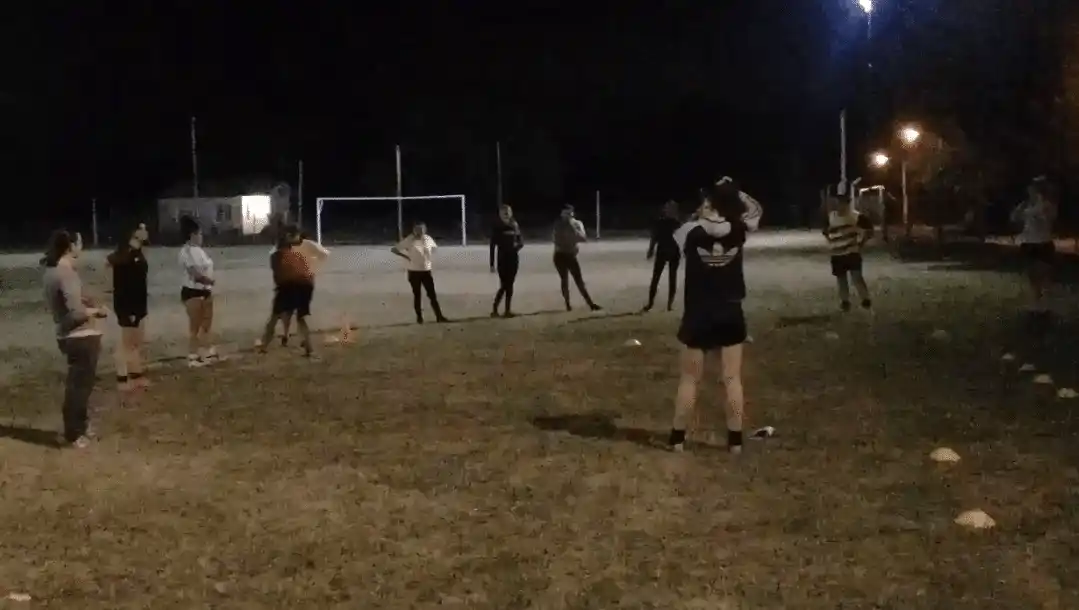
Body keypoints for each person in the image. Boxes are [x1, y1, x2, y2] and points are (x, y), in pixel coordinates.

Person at [668, 177, 763, 454]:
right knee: (732, 378)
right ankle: (735, 441)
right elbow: (756, 210)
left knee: (689, 379)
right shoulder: (738, 228)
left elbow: (683, 232)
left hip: (698, 312)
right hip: (730, 310)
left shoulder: (689, 230)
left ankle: (677, 438)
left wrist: (704, 210)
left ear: (708, 203)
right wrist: (733, 191)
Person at [43, 230, 109, 448]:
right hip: (81, 336)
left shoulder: (52, 272)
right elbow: (76, 312)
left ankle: (78, 427)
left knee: (78, 384)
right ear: (71, 246)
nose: (82, 246)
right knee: (80, 386)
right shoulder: (66, 273)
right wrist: (96, 311)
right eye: (80, 243)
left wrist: (85, 301)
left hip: (67, 335)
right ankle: (74, 432)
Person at [105, 223, 151, 391]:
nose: (145, 229)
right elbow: (109, 262)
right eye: (141, 227)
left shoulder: (138, 252)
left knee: (136, 342)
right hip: (127, 304)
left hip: (139, 303)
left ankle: (136, 375)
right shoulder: (124, 253)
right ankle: (122, 378)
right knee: (126, 342)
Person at [259, 227, 316, 358]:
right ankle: (309, 348)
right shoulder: (297, 253)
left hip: (291, 284)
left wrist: (279, 289)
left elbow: (278, 275)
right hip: (307, 284)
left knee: (274, 317)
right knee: (301, 317)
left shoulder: (276, 255)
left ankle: (264, 346)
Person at [1010, 176, 1057, 318]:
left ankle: (1045, 304)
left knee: (1043, 273)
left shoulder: (1047, 205)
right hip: (1029, 242)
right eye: (1030, 188)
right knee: (1032, 275)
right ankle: (1035, 304)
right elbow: (1014, 217)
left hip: (1043, 243)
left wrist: (1040, 210)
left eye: (1033, 188)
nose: (1030, 191)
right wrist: (1019, 211)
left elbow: (1049, 218)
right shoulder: (1026, 204)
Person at [178, 216, 218, 367]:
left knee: (206, 325)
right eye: (200, 234)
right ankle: (193, 356)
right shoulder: (186, 251)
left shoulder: (199, 251)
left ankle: (204, 351)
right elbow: (194, 273)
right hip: (193, 292)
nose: (202, 237)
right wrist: (208, 281)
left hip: (205, 291)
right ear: (192, 235)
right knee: (195, 326)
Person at [823, 195, 874, 312]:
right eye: (838, 202)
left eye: (843, 203)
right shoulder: (831, 217)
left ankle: (865, 299)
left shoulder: (855, 216)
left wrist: (861, 243)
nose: (840, 206)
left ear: (847, 204)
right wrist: (831, 241)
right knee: (841, 279)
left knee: (856, 277)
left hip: (852, 253)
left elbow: (869, 229)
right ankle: (845, 301)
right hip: (837, 254)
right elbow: (825, 230)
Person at [391, 222, 448, 324]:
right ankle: (419, 318)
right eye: (417, 230)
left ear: (424, 230)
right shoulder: (409, 240)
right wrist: (406, 256)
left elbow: (434, 249)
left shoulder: (428, 239)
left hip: (426, 271)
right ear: (413, 230)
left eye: (421, 230)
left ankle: (439, 316)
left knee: (432, 295)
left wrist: (426, 259)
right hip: (414, 272)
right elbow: (394, 249)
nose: (419, 232)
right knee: (417, 295)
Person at [552, 205, 601, 312]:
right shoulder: (558, 224)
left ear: (573, 213)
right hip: (560, 255)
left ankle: (590, 303)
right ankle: (568, 304)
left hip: (570, 255)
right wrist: (572, 236)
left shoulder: (577, 223)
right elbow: (558, 240)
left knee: (579, 280)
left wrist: (572, 230)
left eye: (569, 213)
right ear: (561, 214)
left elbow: (583, 238)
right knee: (564, 279)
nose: (567, 216)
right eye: (565, 213)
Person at [643, 200, 683, 312]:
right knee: (657, 278)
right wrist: (651, 249)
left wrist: (651, 249)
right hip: (665, 251)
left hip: (672, 251)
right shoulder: (666, 222)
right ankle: (651, 303)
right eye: (667, 208)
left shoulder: (675, 223)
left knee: (670, 278)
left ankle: (668, 304)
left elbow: (681, 238)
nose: (668, 210)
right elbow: (654, 237)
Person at [490, 204, 524, 318]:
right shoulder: (497, 227)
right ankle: (494, 309)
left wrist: (516, 247)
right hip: (502, 259)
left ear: (511, 213)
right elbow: (492, 246)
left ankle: (507, 311)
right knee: (504, 285)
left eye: (508, 211)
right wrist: (492, 264)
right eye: (503, 212)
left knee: (510, 285)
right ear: (499, 214)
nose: (506, 213)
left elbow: (521, 242)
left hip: (513, 259)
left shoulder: (515, 225)